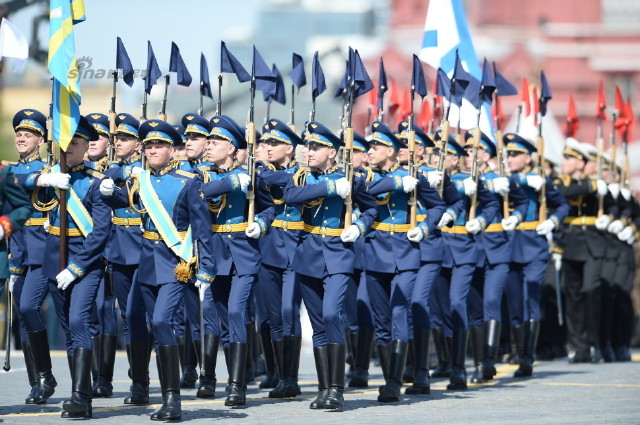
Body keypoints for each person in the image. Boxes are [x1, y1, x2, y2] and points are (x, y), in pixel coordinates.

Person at [101, 119, 217, 421]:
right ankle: (163, 395)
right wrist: (106, 190)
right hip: (147, 262)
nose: (153, 150)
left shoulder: (187, 181)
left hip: (176, 263)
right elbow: (123, 201)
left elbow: (203, 229)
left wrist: (207, 268)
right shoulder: (141, 180)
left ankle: (173, 400)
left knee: (164, 321)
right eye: (149, 145)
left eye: (160, 145)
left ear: (171, 150)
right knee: (153, 324)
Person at [283, 121, 378, 409]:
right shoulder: (300, 178)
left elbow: (372, 208)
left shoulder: (352, 178)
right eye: (307, 147)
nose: (308, 152)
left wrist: (360, 227)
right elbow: (290, 197)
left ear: (332, 153)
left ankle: (337, 388)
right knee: (317, 323)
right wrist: (329, 187)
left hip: (338, 253)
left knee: (331, 315)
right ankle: (324, 389)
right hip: (309, 255)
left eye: (316, 147)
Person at [28, 116, 112, 418]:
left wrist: (76, 267)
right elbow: (14, 181)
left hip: (85, 263)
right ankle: (82, 391)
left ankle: (80, 397)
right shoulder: (51, 175)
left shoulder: (97, 183)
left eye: (75, 143)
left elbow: (101, 232)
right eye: (65, 142)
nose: (69, 148)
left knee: (79, 321)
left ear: (87, 146)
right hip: (54, 259)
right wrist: (41, 180)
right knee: (68, 328)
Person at [362, 121, 446, 402]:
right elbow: (360, 194)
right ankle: (390, 376)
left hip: (406, 253)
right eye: (370, 145)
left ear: (393, 151)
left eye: (377, 146)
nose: (370, 150)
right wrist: (394, 182)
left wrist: (425, 228)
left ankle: (395, 382)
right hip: (374, 253)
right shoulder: (362, 176)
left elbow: (437, 206)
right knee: (381, 319)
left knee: (400, 312)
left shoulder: (413, 177)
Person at [198, 115, 275, 406]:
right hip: (215, 255)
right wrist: (230, 182)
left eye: (215, 142)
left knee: (235, 313)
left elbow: (269, 208)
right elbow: (196, 194)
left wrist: (262, 224)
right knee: (225, 321)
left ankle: (237, 385)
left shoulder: (251, 175)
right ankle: (234, 379)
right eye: (208, 141)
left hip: (244, 254)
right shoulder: (203, 175)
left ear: (231, 148)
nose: (208, 146)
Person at [462, 130, 528, 383]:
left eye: (474, 150)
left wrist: (515, 216)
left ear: (486, 154)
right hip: (470, 248)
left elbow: (521, 204)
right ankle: (480, 360)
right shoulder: (460, 179)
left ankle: (487, 361)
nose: (469, 154)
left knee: (491, 303)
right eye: (467, 150)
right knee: (475, 308)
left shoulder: (501, 179)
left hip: (497, 247)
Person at [504, 133, 568, 377]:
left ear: (528, 158)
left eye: (515, 154)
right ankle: (519, 352)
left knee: (530, 299)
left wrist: (551, 221)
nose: (510, 158)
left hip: (533, 245)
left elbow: (562, 205)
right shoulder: (502, 180)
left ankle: (527, 358)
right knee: (514, 304)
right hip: (508, 246)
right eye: (508, 154)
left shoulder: (540, 180)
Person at [256, 119, 304, 398]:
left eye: (274, 143)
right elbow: (258, 179)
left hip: (297, 251)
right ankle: (280, 375)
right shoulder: (260, 171)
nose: (268, 147)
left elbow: (289, 181)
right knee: (272, 316)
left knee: (289, 311)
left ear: (290, 147)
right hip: (268, 250)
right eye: (266, 143)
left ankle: (291, 377)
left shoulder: (302, 174)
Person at [7, 109, 48, 404]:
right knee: (23, 315)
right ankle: (38, 383)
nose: (22, 137)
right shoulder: (9, 172)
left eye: (29, 134)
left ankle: (50, 375)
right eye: (19, 133)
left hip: (44, 251)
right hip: (19, 250)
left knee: (31, 308)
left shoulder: (50, 171)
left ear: (41, 140)